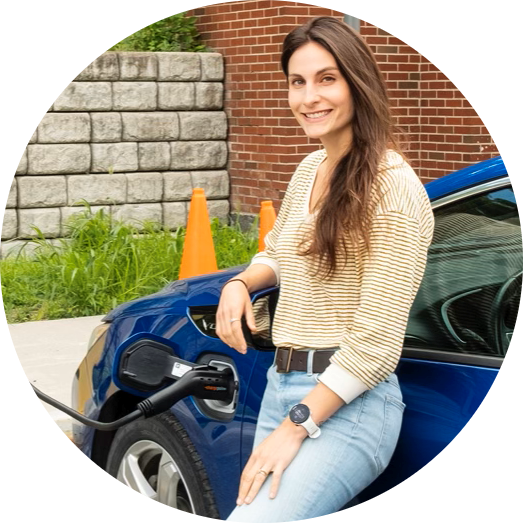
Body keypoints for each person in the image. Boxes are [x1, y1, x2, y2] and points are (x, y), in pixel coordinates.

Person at [217, 16, 435, 522]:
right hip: (282, 385)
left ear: (358, 82)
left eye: (326, 78)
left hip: (348, 406)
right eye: (298, 81)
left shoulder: (392, 189)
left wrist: (294, 425)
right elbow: (279, 252)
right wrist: (240, 283)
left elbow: (376, 346)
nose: (309, 97)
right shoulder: (311, 168)